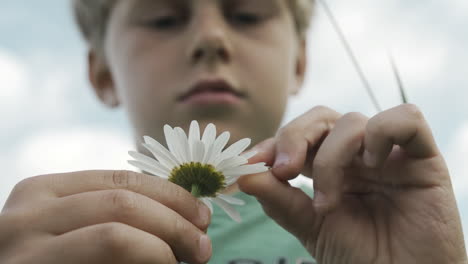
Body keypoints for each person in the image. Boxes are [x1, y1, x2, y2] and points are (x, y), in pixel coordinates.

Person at [0, 0, 466, 263]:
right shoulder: (55, 244)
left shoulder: (370, 226)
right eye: (164, 18)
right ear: (101, 73)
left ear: (300, 61)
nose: (211, 39)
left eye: (247, 14)